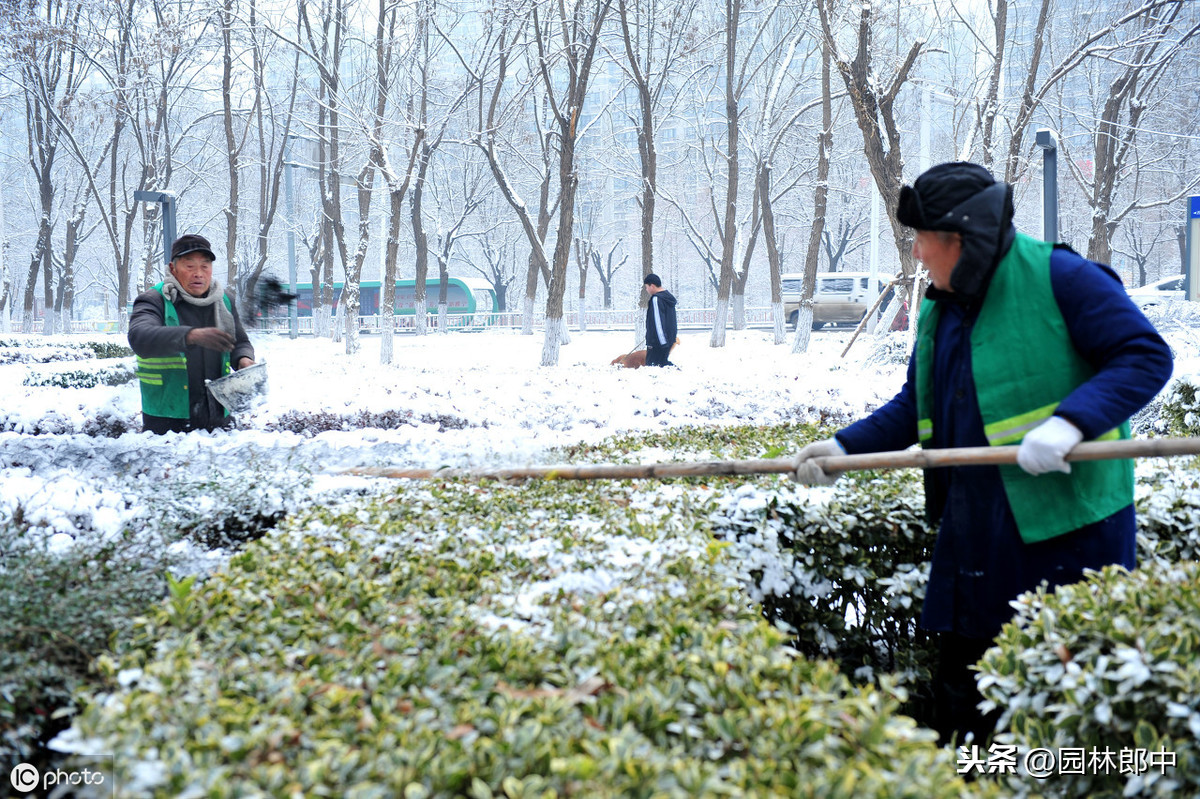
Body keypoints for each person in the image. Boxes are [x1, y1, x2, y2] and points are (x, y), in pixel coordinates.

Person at [792, 162, 1173, 745]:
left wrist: (1071, 423)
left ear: (961, 240)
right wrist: (844, 448)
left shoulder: (1061, 278)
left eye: (922, 239)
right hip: (974, 532)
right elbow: (916, 407)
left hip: (1066, 535)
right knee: (970, 700)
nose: (917, 254)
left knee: (1058, 708)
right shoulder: (939, 307)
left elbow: (1144, 356)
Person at [128, 234, 256, 434]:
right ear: (172, 268)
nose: (199, 273)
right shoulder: (154, 300)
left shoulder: (224, 301)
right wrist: (190, 336)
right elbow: (139, 337)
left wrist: (244, 359)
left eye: (205, 266)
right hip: (167, 422)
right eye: (189, 266)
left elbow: (239, 342)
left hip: (219, 418)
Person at [643, 273, 677, 367]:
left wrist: (663, 342)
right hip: (668, 339)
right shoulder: (667, 297)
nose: (646, 290)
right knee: (662, 365)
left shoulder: (656, 299)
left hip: (658, 342)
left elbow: (658, 322)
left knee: (653, 367)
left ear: (652, 286)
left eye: (646, 287)